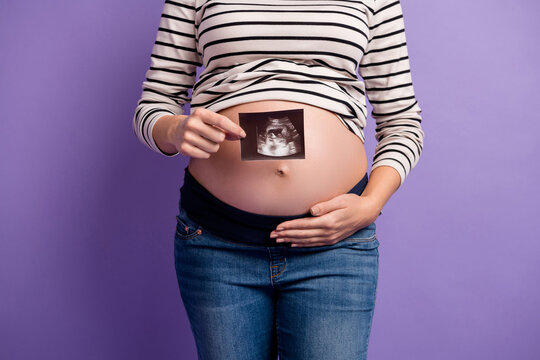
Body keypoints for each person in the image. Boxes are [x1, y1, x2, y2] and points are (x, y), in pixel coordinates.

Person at [133, 0, 424, 359]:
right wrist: (175, 129)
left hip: (333, 248)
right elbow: (153, 105)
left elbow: (403, 123)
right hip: (217, 242)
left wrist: (371, 204)